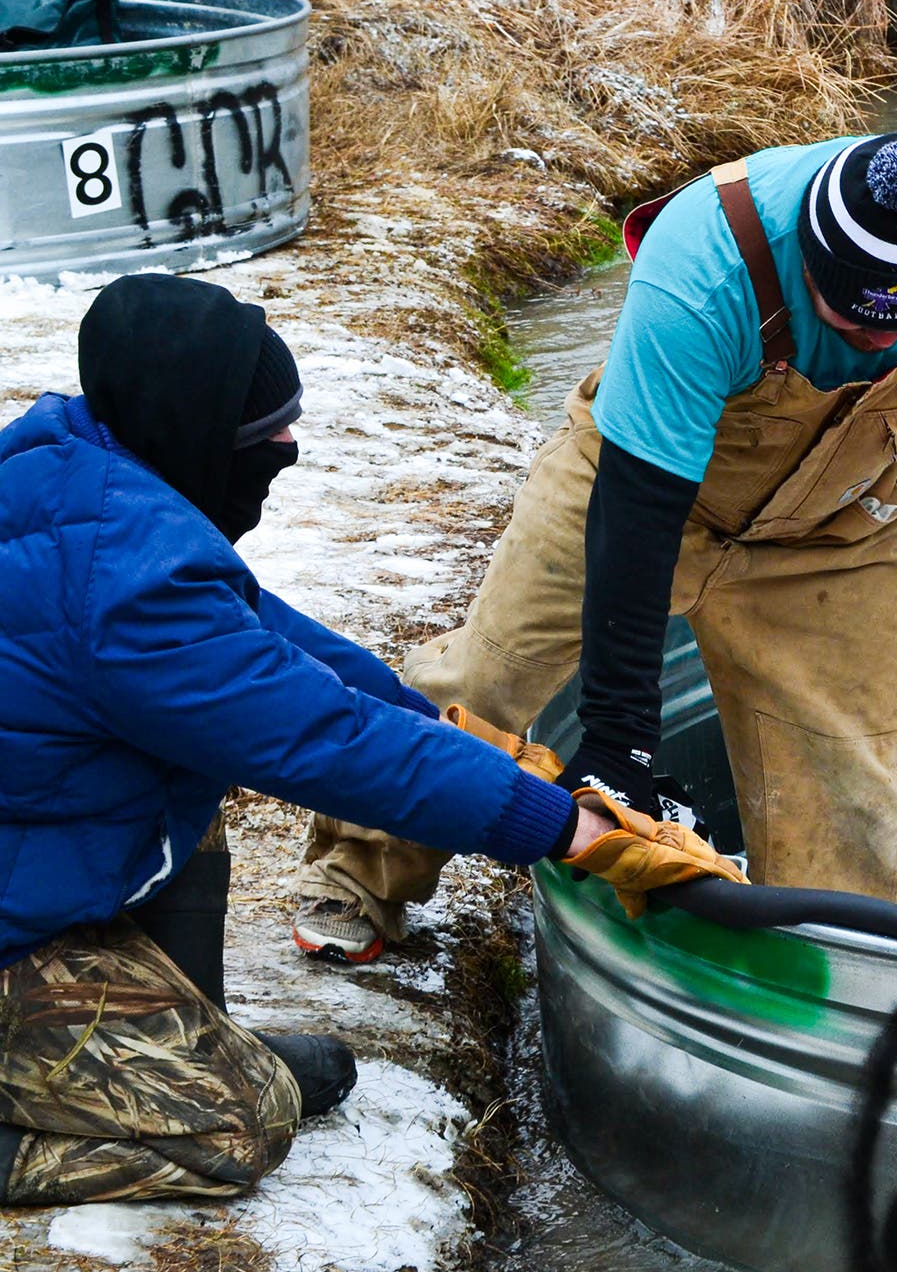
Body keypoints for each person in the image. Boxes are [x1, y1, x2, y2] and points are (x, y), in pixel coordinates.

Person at [0, 276, 738, 1205]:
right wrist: (564, 829)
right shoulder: (122, 585)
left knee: (185, 787)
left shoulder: (79, 472)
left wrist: (436, 720)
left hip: (30, 846)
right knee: (244, 1124)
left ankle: (187, 1047)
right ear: (188, 430)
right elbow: (329, 742)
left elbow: (266, 636)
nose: (290, 449)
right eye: (264, 434)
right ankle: (157, 1097)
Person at [292, 134, 897, 960]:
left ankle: (839, 984)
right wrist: (618, 738)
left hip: (828, 524)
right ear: (808, 260)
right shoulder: (706, 263)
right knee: (489, 675)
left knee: (858, 786)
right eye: (847, 317)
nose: (878, 345)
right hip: (636, 480)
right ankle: (358, 876)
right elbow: (636, 522)